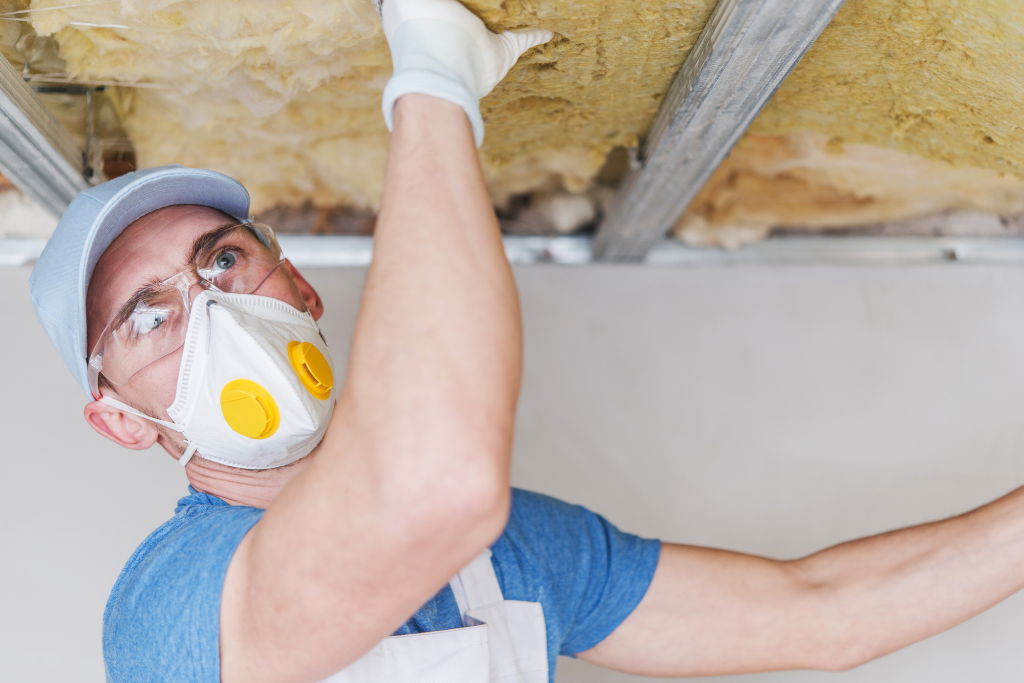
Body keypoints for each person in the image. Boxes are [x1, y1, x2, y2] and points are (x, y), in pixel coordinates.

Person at [27, 1, 1024, 682]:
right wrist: (429, 85)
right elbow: (429, 486)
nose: (210, 312)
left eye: (222, 262)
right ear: (118, 416)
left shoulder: (511, 553)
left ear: (296, 286)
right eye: (148, 317)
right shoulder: (169, 608)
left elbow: (820, 609)